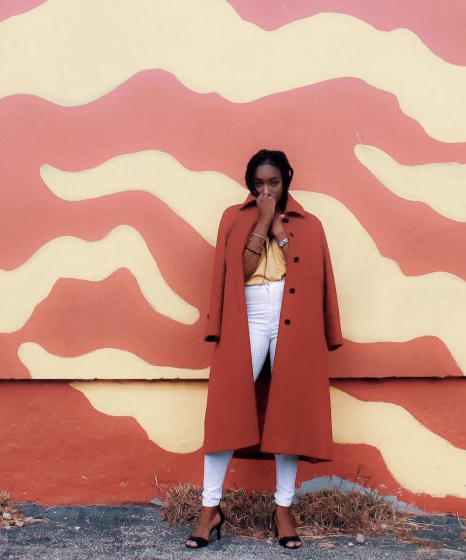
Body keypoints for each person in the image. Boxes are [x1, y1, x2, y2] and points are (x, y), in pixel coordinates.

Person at [185, 149, 343, 549]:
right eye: (259, 183)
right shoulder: (234, 218)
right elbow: (237, 273)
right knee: (225, 407)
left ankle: (283, 510)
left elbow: (310, 272)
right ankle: (209, 508)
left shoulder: (310, 223)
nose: (266, 189)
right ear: (250, 184)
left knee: (288, 412)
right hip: (250, 315)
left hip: (293, 317)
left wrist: (282, 233)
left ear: (286, 178)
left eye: (274, 182)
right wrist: (263, 220)